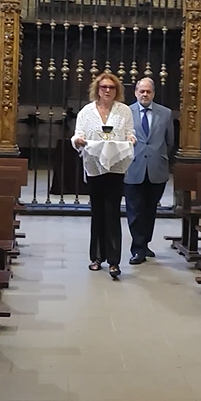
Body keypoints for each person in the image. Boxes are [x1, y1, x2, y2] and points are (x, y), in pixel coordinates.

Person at [71, 72, 136, 278]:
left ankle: (114, 261)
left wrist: (131, 138)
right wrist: (78, 140)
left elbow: (129, 132)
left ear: (117, 90)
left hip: (116, 167)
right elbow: (78, 134)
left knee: (113, 212)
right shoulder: (86, 111)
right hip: (94, 166)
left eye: (111, 87)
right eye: (103, 87)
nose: (107, 90)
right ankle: (97, 257)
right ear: (97, 89)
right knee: (97, 212)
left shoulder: (123, 111)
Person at [124, 78, 174, 265]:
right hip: (133, 167)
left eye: (148, 92)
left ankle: (145, 244)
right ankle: (137, 249)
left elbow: (169, 142)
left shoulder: (165, 113)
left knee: (150, 209)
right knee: (135, 210)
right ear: (136, 92)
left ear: (153, 93)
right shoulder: (126, 112)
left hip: (156, 168)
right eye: (141, 91)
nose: (145, 94)